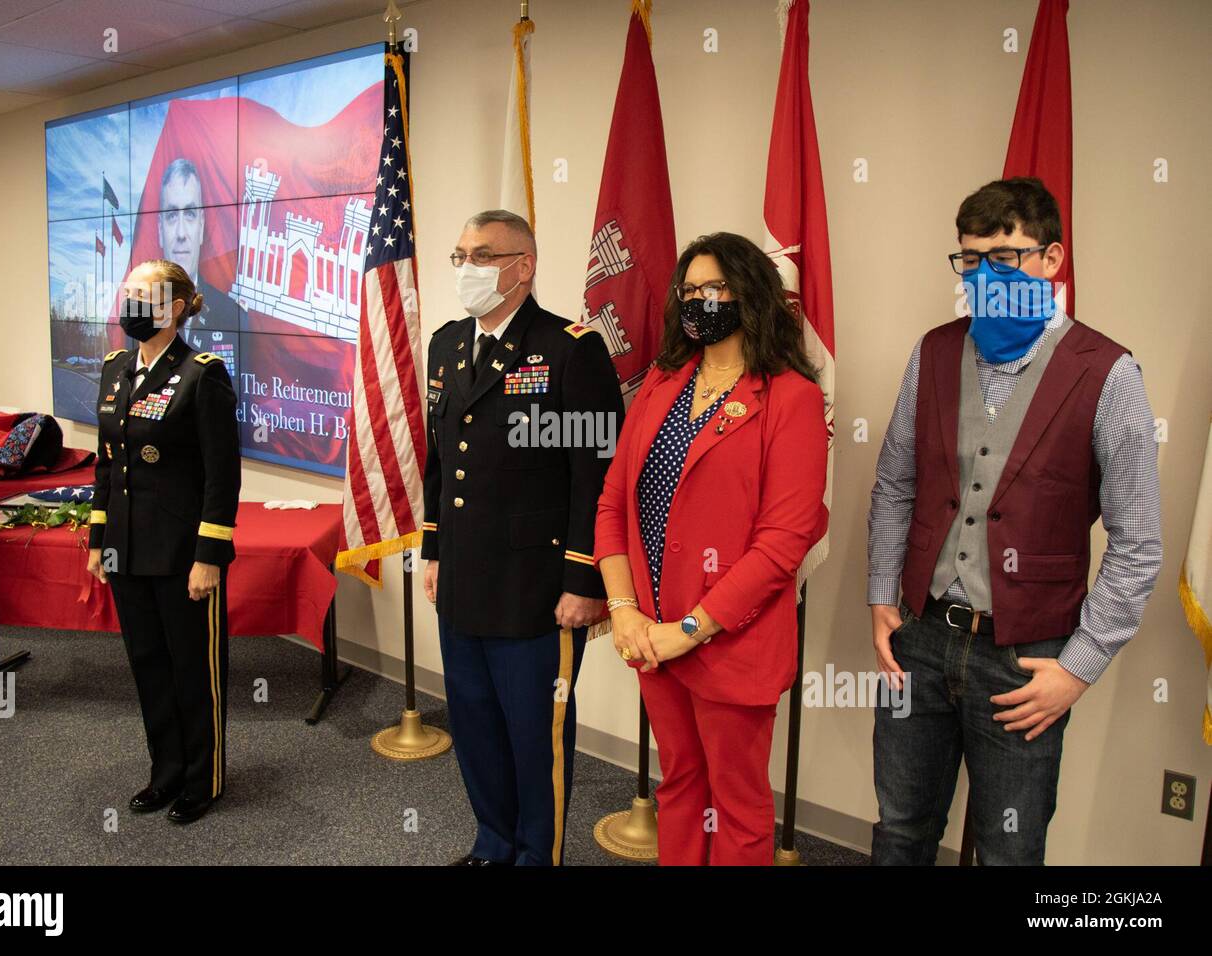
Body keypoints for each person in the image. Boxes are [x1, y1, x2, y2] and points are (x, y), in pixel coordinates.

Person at [867, 177, 1162, 865]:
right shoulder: (935, 352)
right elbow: (895, 482)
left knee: (1009, 850)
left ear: (1052, 258)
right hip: (922, 638)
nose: (982, 277)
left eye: (1003, 260)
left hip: (1026, 662)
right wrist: (883, 594)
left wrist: (1078, 669)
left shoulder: (1108, 373)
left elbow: (1138, 543)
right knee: (902, 829)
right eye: (969, 261)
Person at [593, 232, 829, 866]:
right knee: (680, 787)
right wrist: (622, 610)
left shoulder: (791, 398)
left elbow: (782, 545)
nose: (699, 301)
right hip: (650, 635)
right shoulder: (663, 383)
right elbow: (613, 503)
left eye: (715, 288)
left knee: (736, 804)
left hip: (726, 640)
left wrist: (690, 629)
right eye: (689, 290)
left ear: (749, 294)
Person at [421, 209, 623, 865]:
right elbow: (438, 461)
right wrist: (433, 551)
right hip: (464, 579)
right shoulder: (448, 345)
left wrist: (583, 578)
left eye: (482, 255)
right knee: (475, 725)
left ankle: (539, 854)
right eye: (460, 256)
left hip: (537, 589)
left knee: (536, 737)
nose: (467, 269)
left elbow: (595, 476)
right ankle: (493, 842)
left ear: (523, 266)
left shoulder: (569, 348)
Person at [86, 258, 241, 824]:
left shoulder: (204, 374)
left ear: (175, 308)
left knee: (192, 670)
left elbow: (222, 478)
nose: (129, 304)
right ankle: (166, 772)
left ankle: (204, 778)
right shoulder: (115, 368)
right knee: (148, 664)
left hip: (182, 556)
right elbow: (108, 465)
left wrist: (209, 558)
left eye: (142, 295)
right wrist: (97, 541)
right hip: (126, 549)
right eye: (127, 292)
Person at [156, 158, 243, 380]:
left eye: (190, 214)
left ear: (202, 225)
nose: (181, 233)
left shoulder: (233, 316)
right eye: (172, 215)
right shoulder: (141, 313)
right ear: (160, 229)